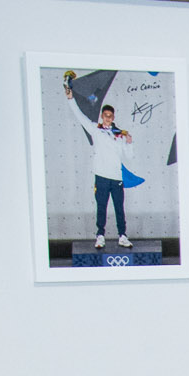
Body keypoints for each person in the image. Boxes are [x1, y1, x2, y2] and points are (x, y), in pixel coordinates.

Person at [68, 82, 133, 251]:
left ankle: (123, 236)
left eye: (110, 116)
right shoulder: (95, 130)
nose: (108, 118)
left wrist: (129, 142)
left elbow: (129, 156)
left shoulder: (119, 134)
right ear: (102, 116)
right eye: (105, 115)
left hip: (116, 178)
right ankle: (100, 236)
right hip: (101, 176)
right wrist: (70, 99)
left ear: (113, 117)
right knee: (101, 207)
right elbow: (80, 116)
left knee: (119, 208)